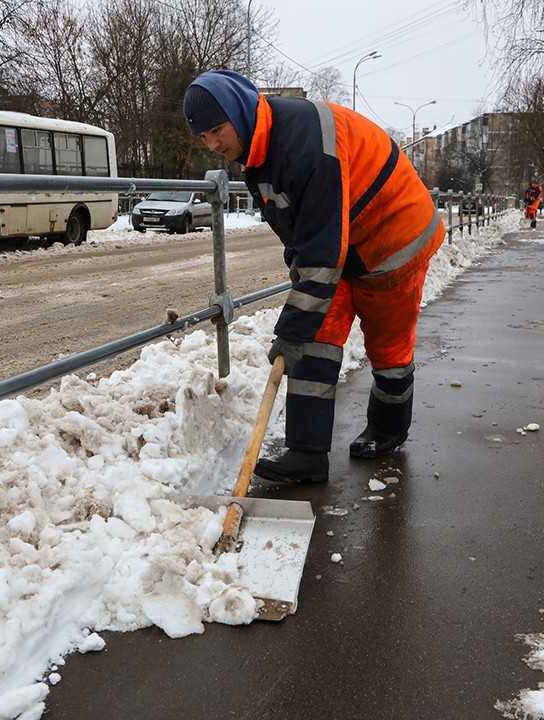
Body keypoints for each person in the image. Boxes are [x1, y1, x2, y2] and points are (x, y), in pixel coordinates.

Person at [183, 70, 445, 484]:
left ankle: (387, 429)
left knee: (388, 345)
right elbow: (300, 231)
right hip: (343, 239)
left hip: (393, 236)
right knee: (315, 341)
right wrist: (300, 311)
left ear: (238, 111)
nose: (214, 145)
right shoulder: (258, 152)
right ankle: (306, 455)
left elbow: (322, 250)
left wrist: (293, 321)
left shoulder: (305, 143)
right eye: (204, 138)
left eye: (217, 130)